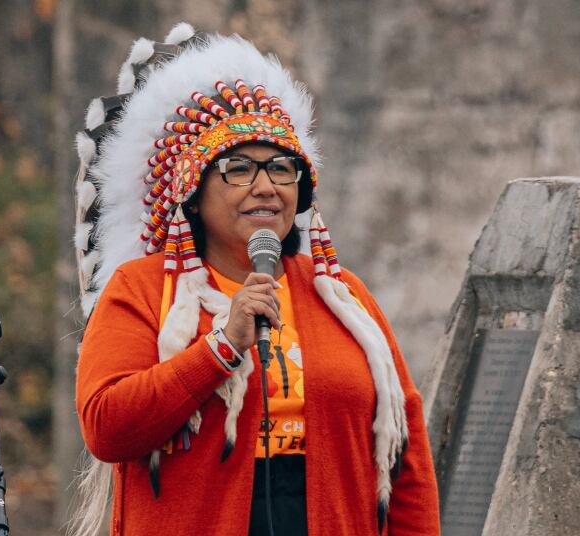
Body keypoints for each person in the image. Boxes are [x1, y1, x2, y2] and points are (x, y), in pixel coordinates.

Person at [70, 23, 440, 536]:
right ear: (194, 194)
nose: (266, 187)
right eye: (238, 169)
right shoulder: (142, 289)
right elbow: (107, 426)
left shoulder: (343, 298)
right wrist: (221, 348)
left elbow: (407, 459)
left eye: (283, 169)